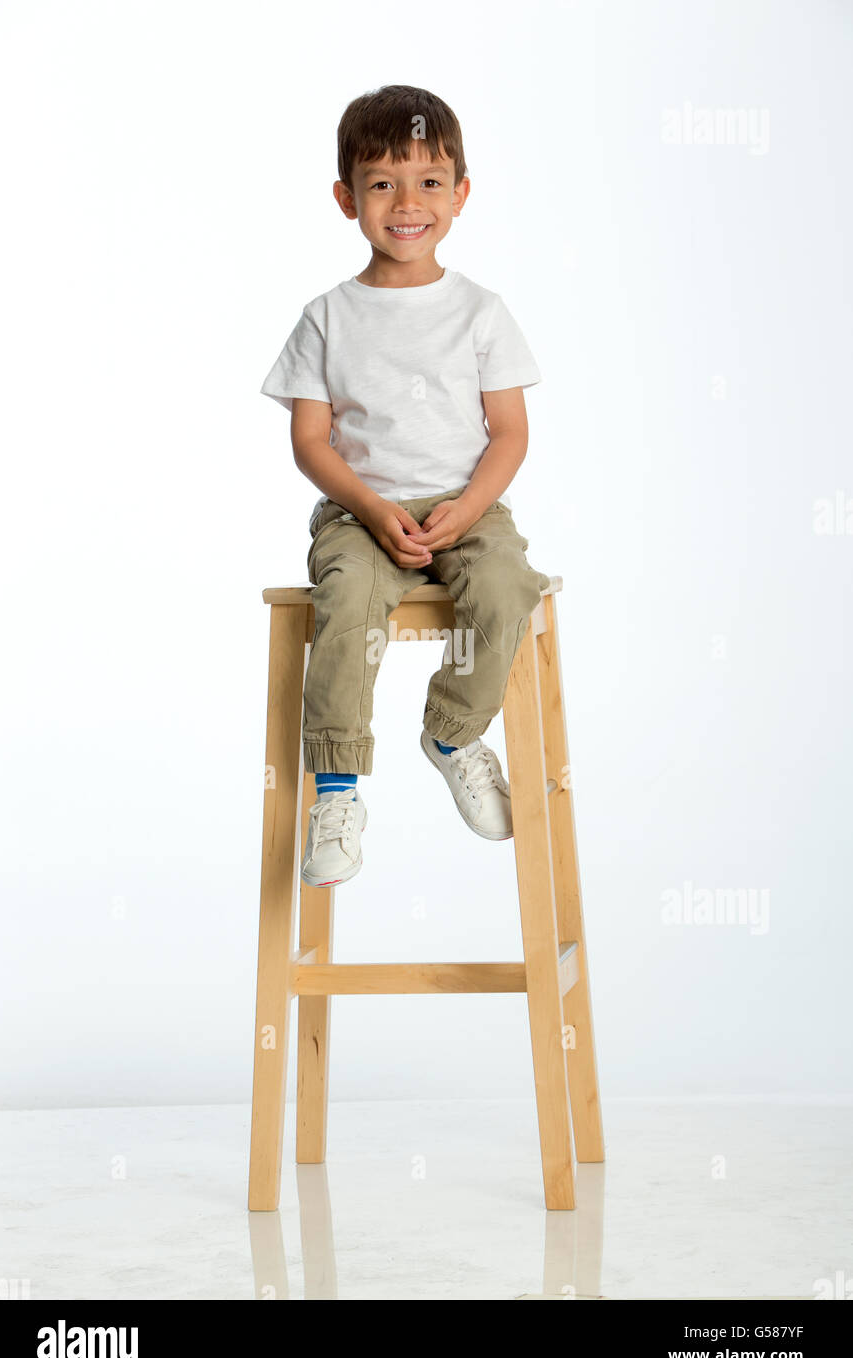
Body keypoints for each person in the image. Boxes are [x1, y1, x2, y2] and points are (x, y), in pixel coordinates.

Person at [260, 84, 551, 886]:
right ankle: (340, 790)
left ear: (460, 193)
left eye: (429, 181)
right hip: (362, 511)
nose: (407, 202)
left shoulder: (480, 311)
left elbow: (510, 433)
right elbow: (310, 441)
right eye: (382, 183)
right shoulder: (327, 316)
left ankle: (453, 732)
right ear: (345, 197)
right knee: (348, 600)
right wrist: (370, 507)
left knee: (504, 588)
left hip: (467, 505)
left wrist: (468, 509)